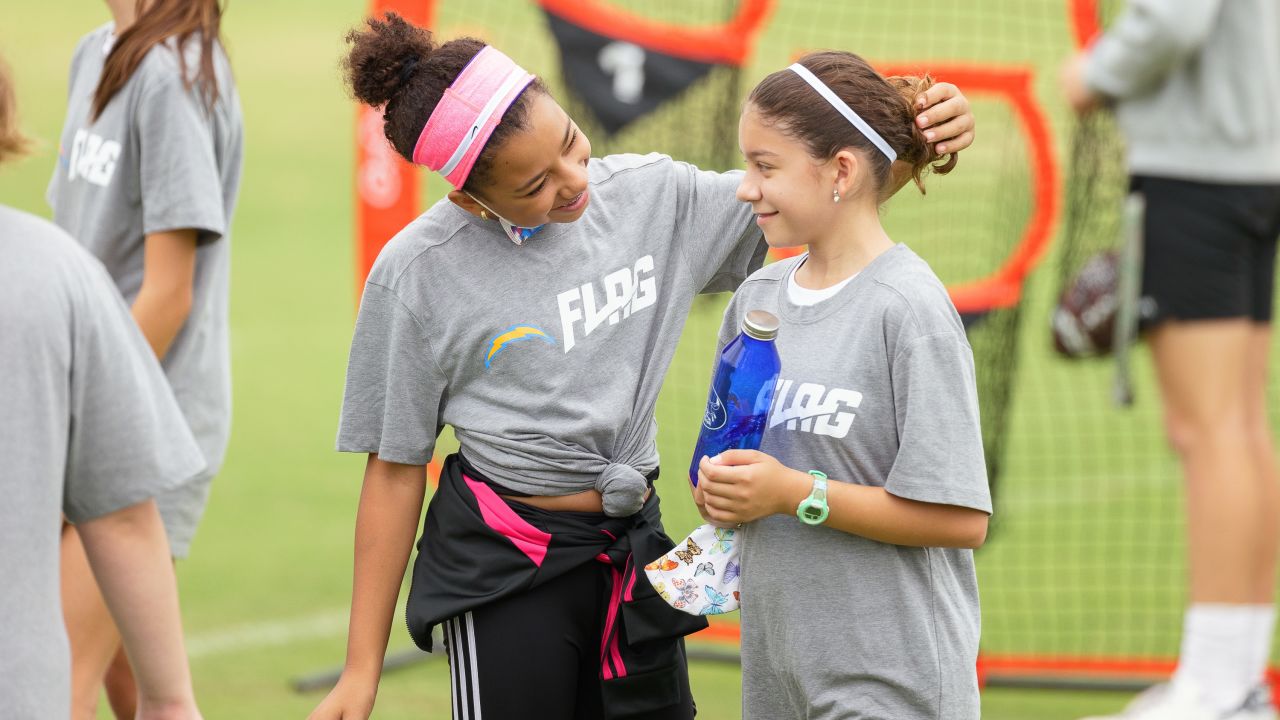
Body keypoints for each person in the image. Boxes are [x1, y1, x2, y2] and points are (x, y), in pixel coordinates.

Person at [311, 13, 976, 720]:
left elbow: (824, 197)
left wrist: (921, 132)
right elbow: (393, 466)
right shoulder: (416, 275)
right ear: (468, 195)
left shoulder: (649, 198)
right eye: (535, 183)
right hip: (506, 567)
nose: (573, 183)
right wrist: (361, 671)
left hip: (635, 554)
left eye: (571, 144)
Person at [689, 50, 991, 720]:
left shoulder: (907, 309)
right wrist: (724, 490)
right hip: (778, 680)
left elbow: (961, 518)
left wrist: (794, 493)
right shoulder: (757, 300)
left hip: (892, 684)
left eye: (766, 166)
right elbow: (722, 465)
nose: (745, 188)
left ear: (842, 172)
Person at [1061, 1, 1280, 717]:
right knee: (1240, 428)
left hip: (1200, 174)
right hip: (1247, 165)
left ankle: (1215, 690)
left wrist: (1095, 73)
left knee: (1211, 432)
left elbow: (1176, 20)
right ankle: (1236, 681)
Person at [46, 0, 243, 716]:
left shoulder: (175, 75)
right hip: (81, 406)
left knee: (48, 687)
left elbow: (167, 294)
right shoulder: (96, 50)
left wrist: (65, 422)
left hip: (136, 424)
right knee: (144, 690)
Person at [0, 52, 205, 720]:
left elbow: (171, 291)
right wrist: (170, 699)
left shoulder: (169, 80)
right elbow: (120, 514)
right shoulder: (55, 273)